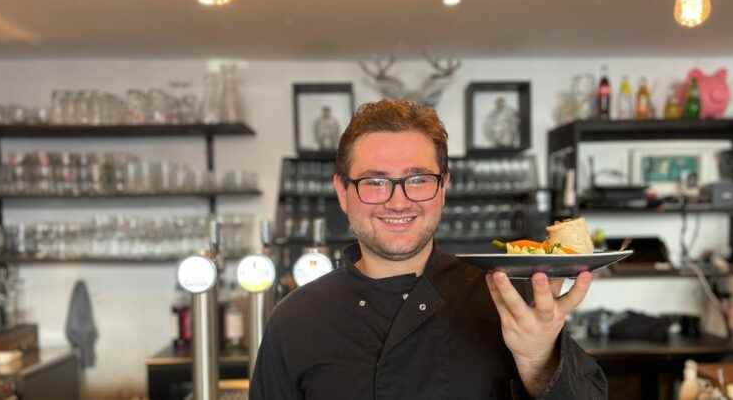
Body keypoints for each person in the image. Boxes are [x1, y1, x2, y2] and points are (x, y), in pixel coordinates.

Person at [250, 99, 607, 399]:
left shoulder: (505, 299)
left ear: (443, 187)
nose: (398, 201)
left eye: (418, 180)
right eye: (375, 182)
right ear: (343, 192)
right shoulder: (295, 319)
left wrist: (539, 362)